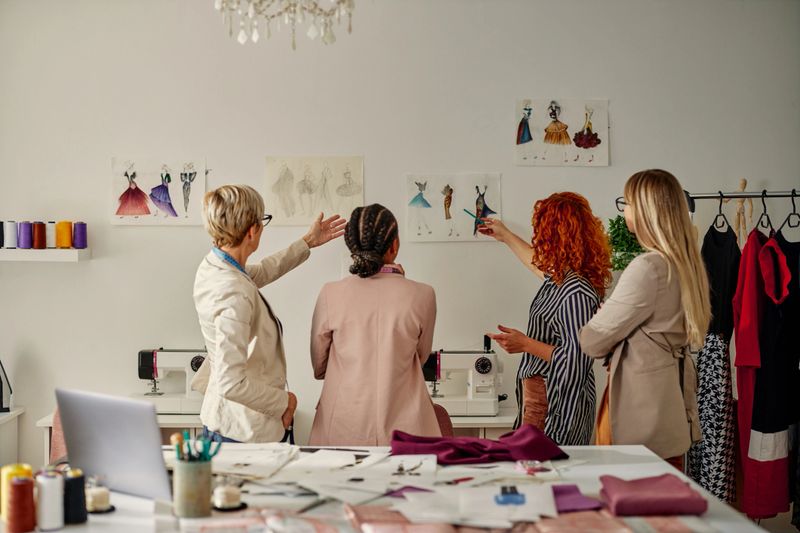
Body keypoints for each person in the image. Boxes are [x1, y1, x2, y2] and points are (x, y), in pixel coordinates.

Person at [191, 185, 345, 443]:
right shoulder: (234, 293)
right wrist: (285, 402)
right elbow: (231, 383)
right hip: (242, 432)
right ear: (252, 230)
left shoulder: (215, 265)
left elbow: (262, 271)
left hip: (225, 421)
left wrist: (307, 242)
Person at [580, 169, 710, 468]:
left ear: (645, 210)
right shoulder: (687, 266)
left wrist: (610, 321)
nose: (624, 210)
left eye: (626, 202)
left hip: (640, 413)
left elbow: (591, 341)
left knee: (633, 501)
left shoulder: (648, 268)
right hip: (668, 407)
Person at [480, 192, 612, 445]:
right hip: (543, 400)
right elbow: (537, 265)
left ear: (556, 235)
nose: (537, 238)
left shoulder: (575, 291)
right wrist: (505, 236)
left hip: (554, 407)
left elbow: (576, 360)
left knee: (543, 475)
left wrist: (525, 344)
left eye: (541, 230)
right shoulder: (563, 281)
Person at [308, 204, 440, 445]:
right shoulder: (423, 294)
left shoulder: (331, 293)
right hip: (408, 430)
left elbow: (319, 366)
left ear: (352, 247)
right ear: (395, 245)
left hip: (342, 426)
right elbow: (420, 357)